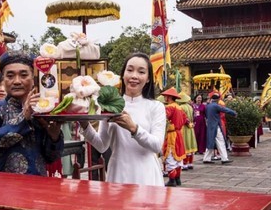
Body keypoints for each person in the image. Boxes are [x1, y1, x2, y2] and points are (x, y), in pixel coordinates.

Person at [79, 52, 166, 186]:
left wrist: (134, 128)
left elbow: (157, 146)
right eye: (130, 70)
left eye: (141, 72)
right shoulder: (110, 104)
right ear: (123, 74)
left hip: (146, 175)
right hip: (118, 172)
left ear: (148, 78)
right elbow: (102, 145)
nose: (134, 76)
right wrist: (84, 124)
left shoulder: (155, 107)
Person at [0, 52, 64, 175]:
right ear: (3, 79)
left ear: (34, 78)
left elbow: (51, 157)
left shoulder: (42, 110)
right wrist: (24, 117)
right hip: (0, 187)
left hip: (35, 186)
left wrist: (54, 137)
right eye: (10, 76)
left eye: (24, 75)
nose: (17, 81)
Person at [161, 87, 187, 187]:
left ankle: (172, 180)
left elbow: (164, 118)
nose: (165, 98)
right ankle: (178, 179)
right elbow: (185, 120)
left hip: (172, 134)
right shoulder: (179, 107)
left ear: (170, 97)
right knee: (178, 159)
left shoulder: (170, 107)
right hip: (179, 134)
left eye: (166, 96)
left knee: (170, 157)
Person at [203, 93, 236, 164]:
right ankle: (224, 159)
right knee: (221, 142)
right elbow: (225, 110)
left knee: (210, 142)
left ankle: (206, 158)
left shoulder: (207, 106)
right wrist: (234, 113)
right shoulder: (216, 106)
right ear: (218, 99)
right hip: (216, 127)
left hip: (210, 126)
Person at [177, 92, 197, 170]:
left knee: (185, 145)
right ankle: (190, 163)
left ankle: (184, 163)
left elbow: (183, 118)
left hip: (183, 128)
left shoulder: (181, 107)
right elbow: (194, 117)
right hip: (191, 127)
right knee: (190, 144)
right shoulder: (190, 107)